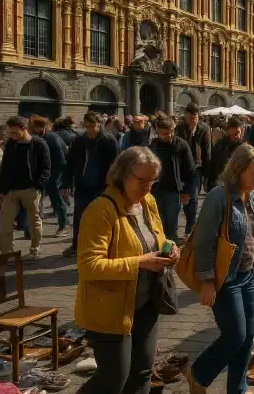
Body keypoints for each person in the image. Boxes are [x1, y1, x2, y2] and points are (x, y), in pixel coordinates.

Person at [75, 147, 179, 394]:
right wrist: (138, 262)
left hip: (147, 303)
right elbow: (89, 266)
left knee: (142, 373)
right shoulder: (101, 210)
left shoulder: (147, 202)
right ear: (122, 175)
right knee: (112, 381)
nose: (147, 187)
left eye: (152, 180)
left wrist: (171, 249)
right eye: (141, 180)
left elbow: (158, 238)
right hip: (110, 310)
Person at [186, 144, 254, 394]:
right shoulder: (218, 196)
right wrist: (207, 280)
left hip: (250, 276)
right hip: (227, 279)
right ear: (238, 170)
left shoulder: (250, 195)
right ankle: (198, 372)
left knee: (248, 337)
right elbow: (204, 241)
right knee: (235, 335)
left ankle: (237, 389)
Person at [62, 111, 120, 258]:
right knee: (79, 218)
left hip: (102, 186)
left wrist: (113, 184)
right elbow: (70, 163)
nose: (90, 130)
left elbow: (116, 165)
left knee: (102, 219)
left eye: (93, 126)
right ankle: (77, 245)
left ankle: (104, 248)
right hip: (83, 185)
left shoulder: (109, 140)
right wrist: (65, 183)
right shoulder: (80, 141)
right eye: (87, 126)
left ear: (99, 124)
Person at [0, 116, 51, 261]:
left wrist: (38, 185)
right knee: (5, 225)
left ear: (24, 129)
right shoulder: (10, 144)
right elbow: (4, 166)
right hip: (11, 190)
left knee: (34, 222)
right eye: (10, 132)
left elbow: (46, 168)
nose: (12, 135)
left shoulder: (39, 144)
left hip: (30, 189)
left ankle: (34, 249)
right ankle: (7, 254)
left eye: (15, 132)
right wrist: (1, 189)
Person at [149, 116, 195, 242]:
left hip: (174, 190)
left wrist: (187, 191)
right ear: (158, 131)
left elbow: (190, 170)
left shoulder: (181, 145)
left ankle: (171, 253)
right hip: (157, 190)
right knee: (157, 222)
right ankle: (159, 249)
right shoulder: (154, 144)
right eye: (163, 133)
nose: (167, 136)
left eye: (169, 133)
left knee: (172, 223)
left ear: (173, 130)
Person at [176, 103, 212, 237]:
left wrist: (207, 176)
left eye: (195, 118)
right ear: (185, 116)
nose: (193, 121)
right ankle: (189, 222)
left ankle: (189, 228)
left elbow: (207, 151)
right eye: (190, 118)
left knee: (194, 198)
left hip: (197, 168)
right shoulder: (180, 128)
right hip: (182, 167)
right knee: (186, 199)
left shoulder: (204, 128)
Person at [30, 116, 69, 237]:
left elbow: (61, 158)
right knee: (39, 201)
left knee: (57, 200)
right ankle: (35, 229)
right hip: (46, 174)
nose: (33, 130)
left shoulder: (51, 137)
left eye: (35, 127)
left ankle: (64, 225)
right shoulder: (45, 137)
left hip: (53, 175)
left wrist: (57, 177)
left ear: (41, 127)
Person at [205, 118, 244, 193]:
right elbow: (213, 164)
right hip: (221, 182)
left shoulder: (245, 148)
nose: (234, 137)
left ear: (241, 131)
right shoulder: (220, 145)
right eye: (231, 135)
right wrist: (209, 183)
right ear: (227, 132)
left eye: (237, 133)